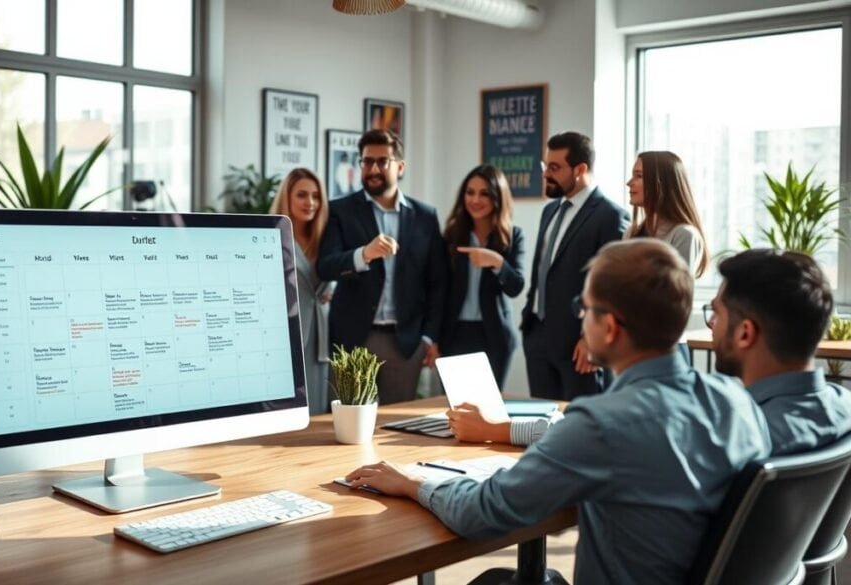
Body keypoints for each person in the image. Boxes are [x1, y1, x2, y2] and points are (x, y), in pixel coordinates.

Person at [345, 239, 771, 585]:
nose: (580, 319)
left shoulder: (602, 424)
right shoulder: (738, 403)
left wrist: (415, 482)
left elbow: (482, 513)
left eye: (583, 308)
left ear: (609, 327)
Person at [317, 129, 448, 404]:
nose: (373, 168)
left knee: (395, 425)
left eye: (382, 161)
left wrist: (429, 336)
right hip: (353, 338)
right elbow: (325, 266)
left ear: (400, 167)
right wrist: (363, 254)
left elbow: (438, 281)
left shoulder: (425, 216)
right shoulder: (340, 210)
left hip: (405, 342)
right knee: (346, 427)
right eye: (367, 161)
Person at [708, 249, 851, 455]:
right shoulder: (845, 406)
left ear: (745, 333)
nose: (712, 323)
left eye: (716, 313)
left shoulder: (738, 441)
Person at [521, 132, 629, 400]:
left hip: (580, 345)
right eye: (546, 166)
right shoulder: (550, 211)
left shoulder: (610, 216)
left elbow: (611, 285)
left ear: (580, 169)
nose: (546, 175)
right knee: (540, 426)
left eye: (555, 168)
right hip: (538, 336)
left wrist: (590, 339)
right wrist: (529, 325)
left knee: (583, 430)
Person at [439, 165, 525, 388]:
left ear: (498, 197)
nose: (475, 199)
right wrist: (432, 338)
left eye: (484, 193)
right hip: (454, 333)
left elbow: (516, 287)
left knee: (488, 412)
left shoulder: (513, 235)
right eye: (470, 192)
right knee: (456, 409)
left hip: (494, 335)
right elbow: (438, 289)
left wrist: (496, 262)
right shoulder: (451, 235)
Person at [269, 168, 334, 414]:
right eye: (302, 195)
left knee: (319, 406)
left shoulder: (326, 238)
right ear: (287, 196)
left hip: (321, 332)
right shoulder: (273, 234)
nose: (311, 203)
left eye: (316, 196)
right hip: (286, 329)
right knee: (287, 406)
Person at [625, 151, 708, 277]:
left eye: (639, 176)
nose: (629, 183)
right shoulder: (631, 232)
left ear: (662, 183)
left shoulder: (684, 235)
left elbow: (679, 293)